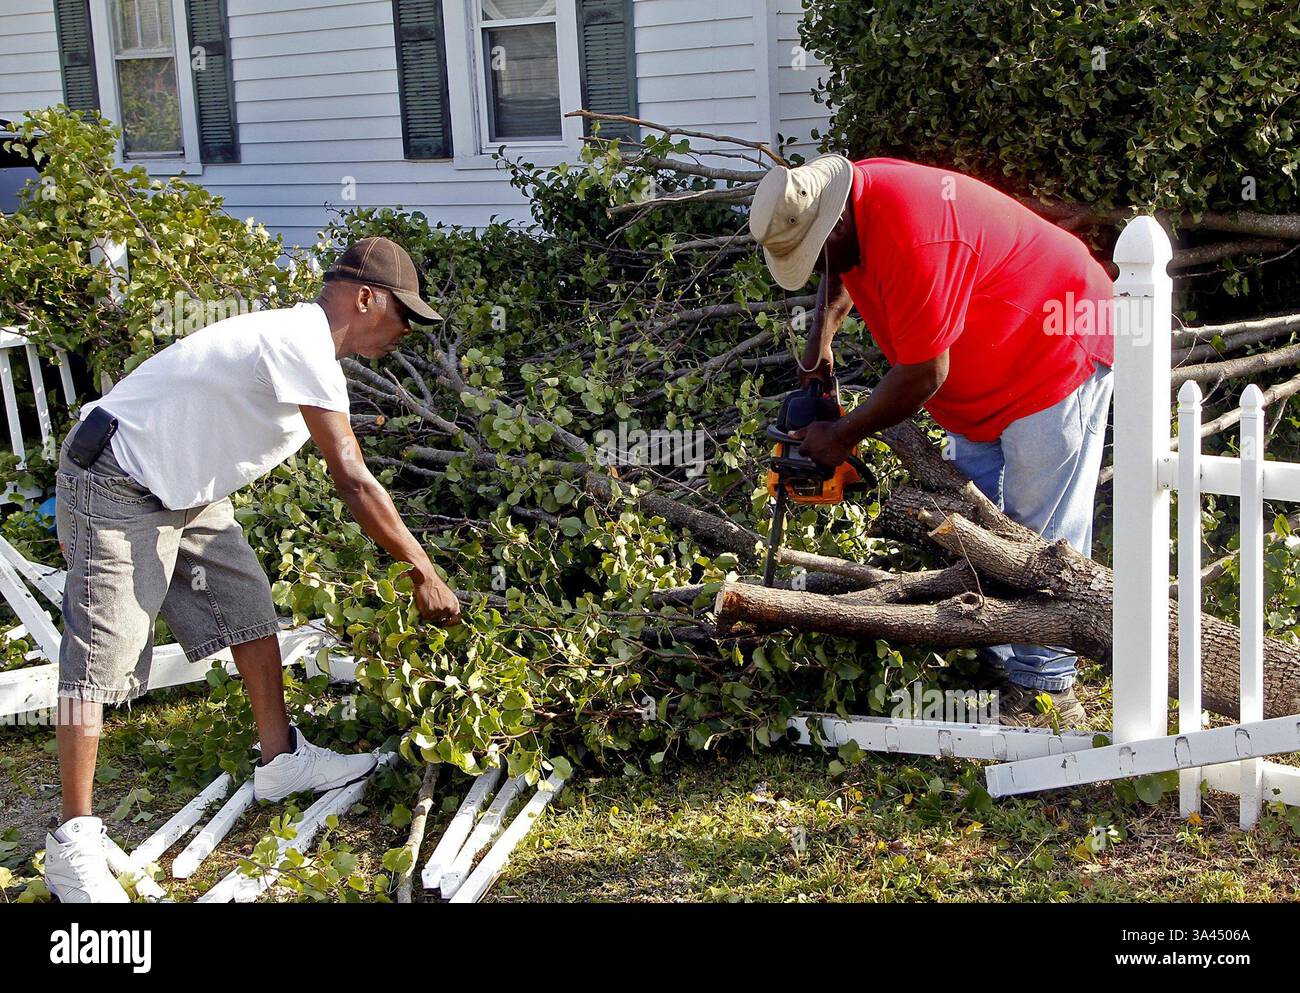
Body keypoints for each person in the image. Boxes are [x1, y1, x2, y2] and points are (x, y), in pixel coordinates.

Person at [44, 237, 462, 902]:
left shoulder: (304, 348)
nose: (406, 330)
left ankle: (280, 759)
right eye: (402, 314)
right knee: (102, 653)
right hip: (119, 478)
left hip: (183, 486)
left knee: (246, 603)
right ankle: (73, 840)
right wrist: (422, 571)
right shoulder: (301, 340)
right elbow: (352, 478)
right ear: (364, 297)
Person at [749, 155, 1114, 727]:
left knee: (1041, 536)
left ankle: (1048, 693)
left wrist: (840, 436)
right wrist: (820, 345)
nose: (819, 264)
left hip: (1055, 346)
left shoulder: (916, 235)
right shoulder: (846, 207)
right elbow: (838, 271)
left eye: (814, 250)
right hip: (983, 373)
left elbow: (922, 374)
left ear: (833, 224)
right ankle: (997, 655)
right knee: (979, 526)